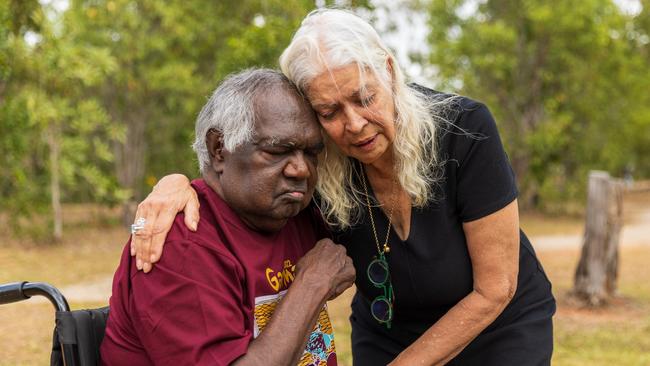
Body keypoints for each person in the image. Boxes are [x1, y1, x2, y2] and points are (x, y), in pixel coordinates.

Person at [131, 9, 556, 365]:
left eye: (364, 97)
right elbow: (240, 172)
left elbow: (495, 289)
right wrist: (175, 185)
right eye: (329, 111)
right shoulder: (316, 168)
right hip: (390, 328)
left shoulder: (464, 130)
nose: (353, 124)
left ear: (389, 72)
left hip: (496, 323)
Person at [100, 68, 355, 366]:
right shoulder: (181, 243)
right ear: (219, 149)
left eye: (311, 152)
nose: (301, 170)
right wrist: (313, 284)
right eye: (277, 151)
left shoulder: (299, 215)